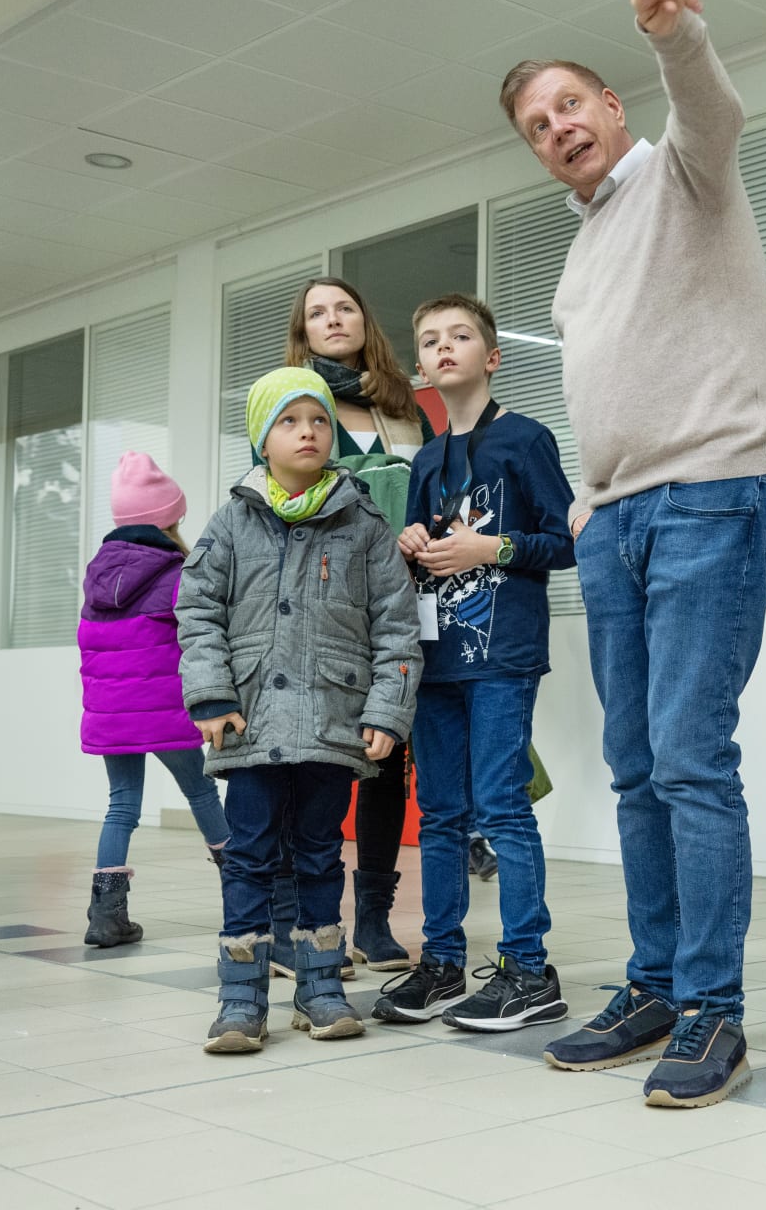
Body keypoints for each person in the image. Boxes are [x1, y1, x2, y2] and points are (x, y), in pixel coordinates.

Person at [499, 0, 766, 1106]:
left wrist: (676, 31)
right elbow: (620, 381)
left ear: (614, 107)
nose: (558, 128)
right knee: (635, 768)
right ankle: (658, 983)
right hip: (619, 516)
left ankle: (715, 1009)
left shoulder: (684, 173)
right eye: (537, 125)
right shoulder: (581, 254)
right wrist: (590, 490)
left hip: (718, 493)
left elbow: (717, 109)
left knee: (687, 754)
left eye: (570, 104)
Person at [180, 368, 421, 1053]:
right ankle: (240, 999)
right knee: (251, 855)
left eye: (318, 420)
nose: (308, 431)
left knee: (320, 854)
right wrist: (211, 694)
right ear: (262, 438)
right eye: (289, 421)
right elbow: (197, 612)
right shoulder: (230, 521)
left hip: (331, 721)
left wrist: (386, 710)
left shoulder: (365, 521)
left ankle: (319, 987)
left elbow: (396, 626)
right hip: (250, 720)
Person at [373, 294, 575, 1031]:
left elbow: (567, 541)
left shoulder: (526, 440)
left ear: (491, 356)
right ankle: (442, 962)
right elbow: (428, 545)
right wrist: (411, 545)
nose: (444, 347)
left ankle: (527, 970)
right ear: (421, 365)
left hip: (501, 659)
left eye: (461, 336)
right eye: (430, 340)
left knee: (502, 810)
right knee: (443, 817)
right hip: (436, 660)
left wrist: (495, 548)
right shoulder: (426, 458)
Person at [280, 276, 434, 973]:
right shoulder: (295, 405)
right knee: (318, 763)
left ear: (364, 321)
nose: (332, 319)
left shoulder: (405, 408)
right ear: (304, 332)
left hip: (402, 603)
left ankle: (373, 918)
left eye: (343, 308)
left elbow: (436, 491)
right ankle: (312, 922)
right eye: (318, 312)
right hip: (326, 607)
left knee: (384, 761)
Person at [77, 451, 229, 947]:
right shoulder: (178, 574)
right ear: (170, 520)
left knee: (121, 806)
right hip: (165, 714)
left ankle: (105, 917)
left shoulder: (96, 578)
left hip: (113, 716)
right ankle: (244, 894)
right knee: (202, 795)